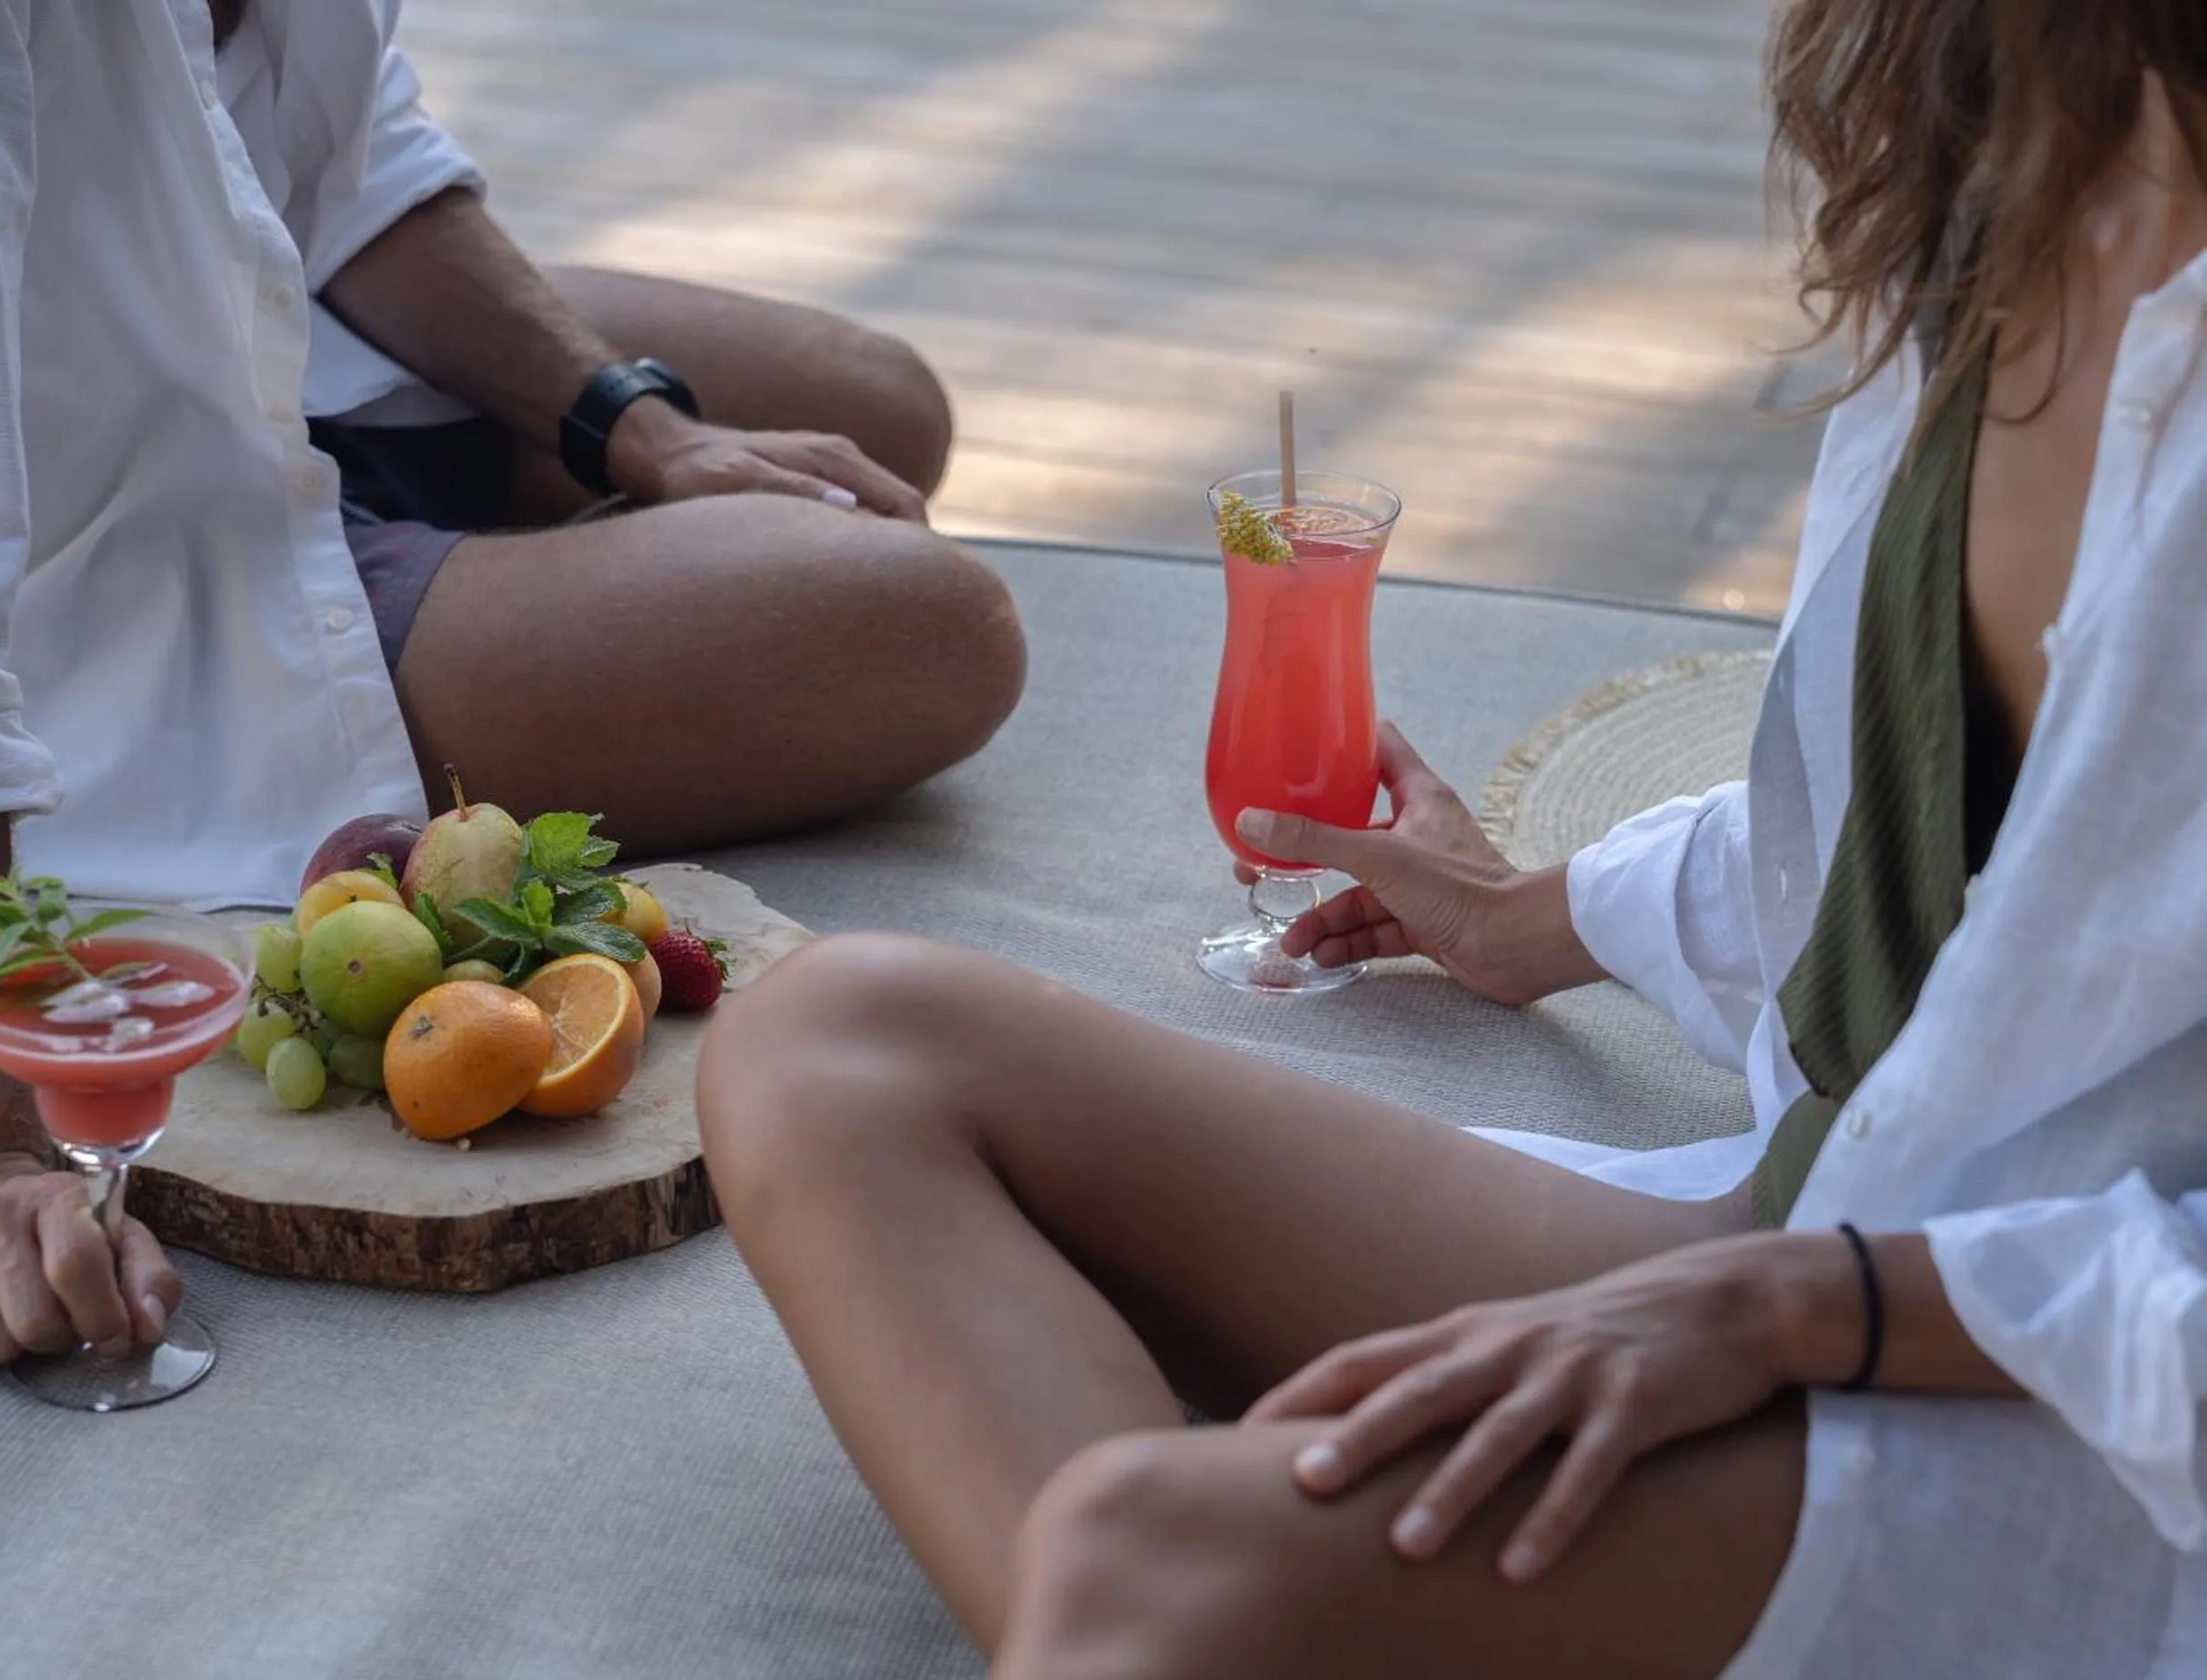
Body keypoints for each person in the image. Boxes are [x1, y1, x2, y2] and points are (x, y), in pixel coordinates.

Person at [698, 2, 2207, 1674]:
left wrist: (1803, 1308)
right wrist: (1531, 912)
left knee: (1146, 1559)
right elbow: (1977, 840)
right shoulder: (2015, 151)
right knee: (830, 1038)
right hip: (1802, 1224)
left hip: (2086, 1420)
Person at [0, 1, 1022, 1373]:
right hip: (76, 585)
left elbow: (344, 153)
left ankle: (539, 534)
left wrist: (639, 428)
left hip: (249, 346)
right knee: (931, 629)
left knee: (880, 403)